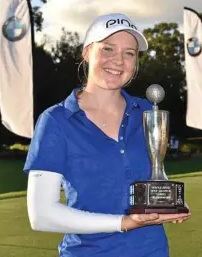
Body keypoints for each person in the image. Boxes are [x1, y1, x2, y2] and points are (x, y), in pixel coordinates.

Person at [23, 13, 191, 257]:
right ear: (87, 53)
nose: (118, 61)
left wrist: (168, 199)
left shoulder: (145, 111)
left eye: (129, 53)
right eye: (108, 49)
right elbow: (41, 215)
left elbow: (155, 172)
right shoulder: (56, 120)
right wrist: (123, 222)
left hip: (152, 251)